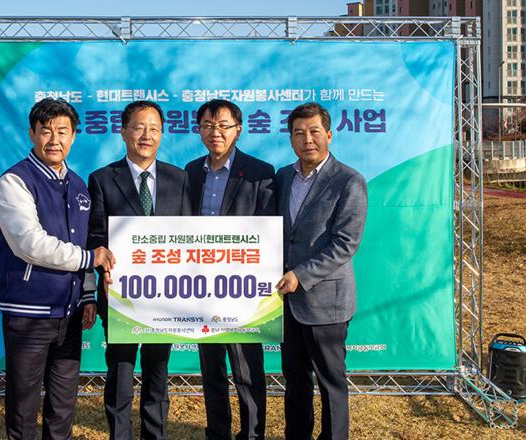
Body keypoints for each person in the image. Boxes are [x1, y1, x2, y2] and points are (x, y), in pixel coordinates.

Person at [0, 97, 114, 440]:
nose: (54, 139)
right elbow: (29, 243)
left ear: (74, 136)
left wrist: (87, 295)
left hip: (70, 314)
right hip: (28, 313)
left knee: (63, 405)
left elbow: (86, 241)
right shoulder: (14, 182)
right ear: (32, 133)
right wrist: (89, 259)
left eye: (62, 131)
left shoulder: (78, 185)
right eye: (46, 131)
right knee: (23, 406)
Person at [87, 100, 191, 440]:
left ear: (162, 134)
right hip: (121, 294)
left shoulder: (179, 178)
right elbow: (96, 236)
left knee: (158, 373)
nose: (146, 135)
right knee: (120, 372)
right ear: (123, 132)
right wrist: (103, 268)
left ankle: (154, 435)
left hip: (165, 297)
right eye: (139, 127)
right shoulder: (102, 179)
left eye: (154, 129)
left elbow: (189, 234)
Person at [275, 102, 367, 440]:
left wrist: (300, 275)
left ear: (329, 134)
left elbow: (345, 244)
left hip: (326, 300)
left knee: (331, 382)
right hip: (285, 301)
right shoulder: (283, 177)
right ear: (290, 138)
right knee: (295, 378)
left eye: (314, 131)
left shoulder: (349, 181)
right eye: (299, 133)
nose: (307, 140)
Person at [184, 99, 274, 440]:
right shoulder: (191, 171)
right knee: (212, 369)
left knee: (247, 369)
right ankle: (217, 432)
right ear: (199, 131)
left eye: (223, 125)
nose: (215, 132)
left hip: (242, 287)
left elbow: (269, 229)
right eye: (208, 126)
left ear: (238, 129)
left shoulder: (259, 172)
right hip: (202, 288)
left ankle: (252, 434)